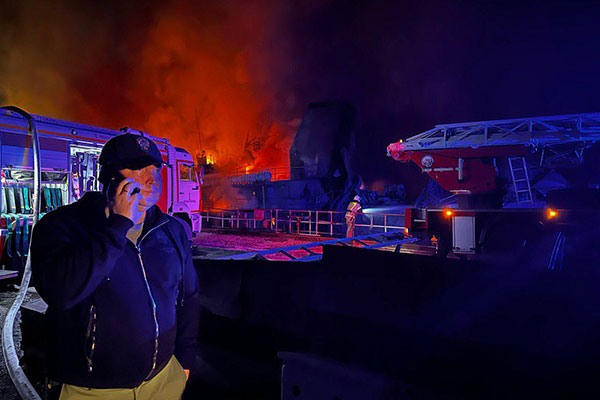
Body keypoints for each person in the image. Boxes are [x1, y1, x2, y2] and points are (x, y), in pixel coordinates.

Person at [30, 133, 201, 400]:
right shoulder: (60, 226)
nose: (152, 178)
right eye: (139, 169)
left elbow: (188, 297)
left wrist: (185, 360)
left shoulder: (172, 229)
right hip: (92, 390)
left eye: (155, 168)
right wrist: (118, 225)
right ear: (110, 177)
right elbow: (60, 293)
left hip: (164, 380)